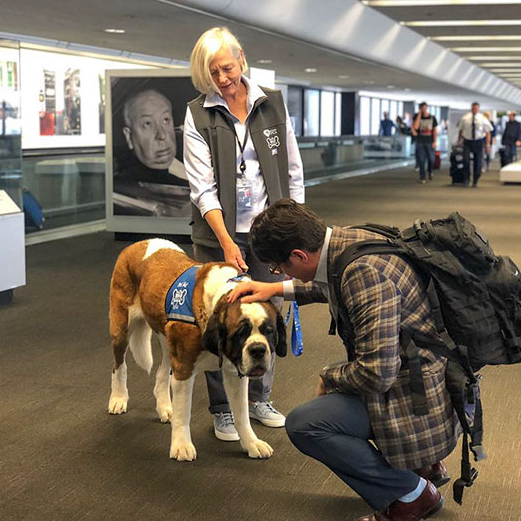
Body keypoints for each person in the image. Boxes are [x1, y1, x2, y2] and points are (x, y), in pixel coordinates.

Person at [228, 199, 459, 521]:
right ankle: (421, 467)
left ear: (299, 255)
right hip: (425, 380)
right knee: (332, 404)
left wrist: (329, 376)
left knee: (306, 424)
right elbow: (327, 285)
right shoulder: (348, 242)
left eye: (281, 268)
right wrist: (273, 288)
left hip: (414, 400)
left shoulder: (362, 273)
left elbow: (377, 374)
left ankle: (412, 494)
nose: (281, 273)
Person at [183, 27, 305, 441]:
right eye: (213, 73)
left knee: (269, 313)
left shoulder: (272, 103)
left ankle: (259, 399)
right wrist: (226, 241)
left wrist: (295, 225)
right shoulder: (197, 113)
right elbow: (202, 188)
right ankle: (222, 409)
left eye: (227, 68)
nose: (222, 79)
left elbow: (292, 170)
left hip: (269, 234)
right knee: (222, 319)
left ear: (241, 59)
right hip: (218, 235)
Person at [113, 88, 191, 217]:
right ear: (129, 137)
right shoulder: (124, 186)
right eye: (147, 124)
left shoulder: (190, 164)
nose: (162, 135)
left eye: (166, 120)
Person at [457, 102, 493, 188]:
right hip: (467, 141)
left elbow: (488, 132)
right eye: (473, 108)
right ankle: (466, 179)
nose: (475, 110)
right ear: (471, 108)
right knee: (466, 161)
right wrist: (459, 141)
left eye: (476, 108)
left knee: (478, 162)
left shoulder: (483, 118)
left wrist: (487, 144)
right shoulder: (465, 118)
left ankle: (475, 180)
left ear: (478, 109)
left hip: (478, 141)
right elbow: (461, 130)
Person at [411, 102, 438, 183]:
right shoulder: (416, 116)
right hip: (420, 141)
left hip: (430, 141)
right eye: (422, 108)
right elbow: (415, 126)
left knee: (431, 159)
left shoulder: (432, 118)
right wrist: (419, 114)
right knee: (421, 159)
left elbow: (435, 130)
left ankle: (430, 171)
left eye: (425, 108)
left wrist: (435, 141)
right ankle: (422, 176)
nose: (424, 110)